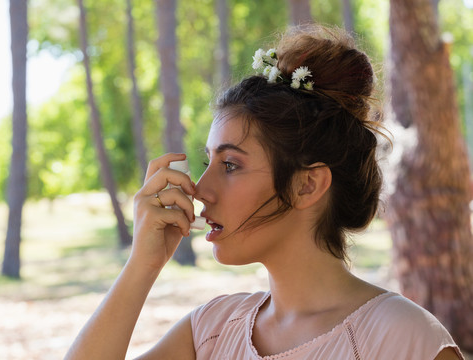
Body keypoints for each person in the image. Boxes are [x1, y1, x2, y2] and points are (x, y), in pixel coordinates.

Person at [65, 25, 464, 360]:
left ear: (307, 184)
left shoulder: (404, 341)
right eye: (209, 163)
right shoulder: (211, 332)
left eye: (231, 165)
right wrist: (142, 266)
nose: (201, 191)